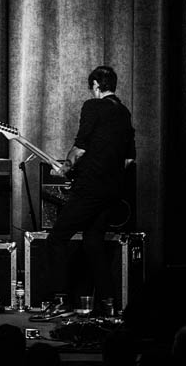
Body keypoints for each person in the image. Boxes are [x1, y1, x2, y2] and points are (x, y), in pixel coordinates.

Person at [34, 66, 136, 320]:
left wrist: (66, 167)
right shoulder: (124, 113)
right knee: (93, 243)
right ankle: (109, 305)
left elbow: (80, 146)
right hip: (112, 191)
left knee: (56, 239)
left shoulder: (92, 106)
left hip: (90, 188)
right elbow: (129, 159)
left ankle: (60, 301)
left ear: (95, 85)